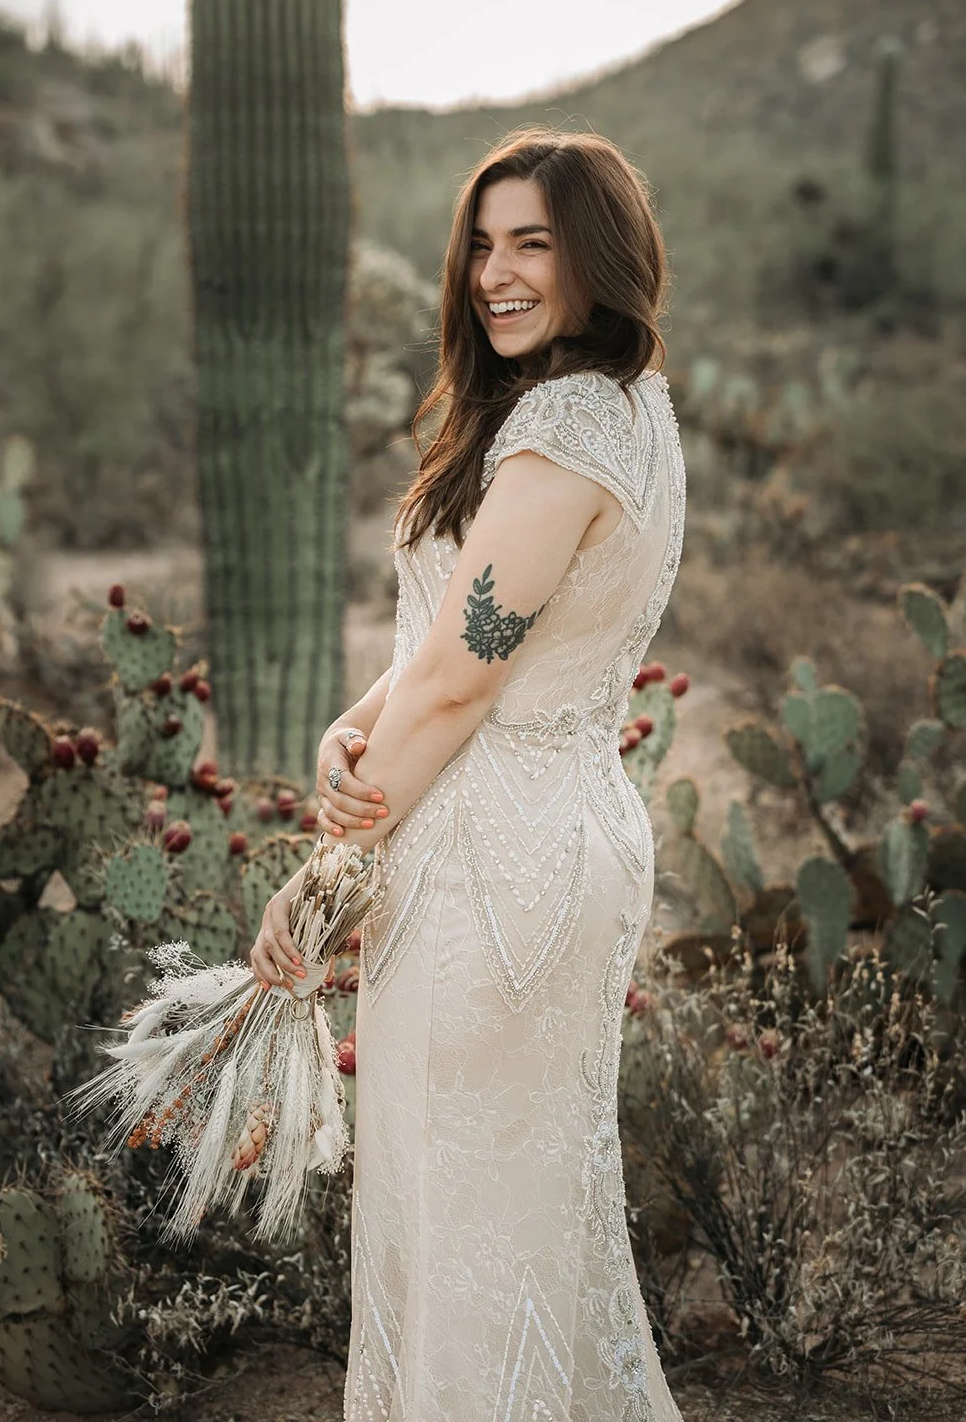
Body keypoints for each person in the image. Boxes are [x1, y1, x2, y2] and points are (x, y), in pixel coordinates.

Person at [251, 125, 686, 1420]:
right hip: (544, 828)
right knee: (516, 1221)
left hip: (495, 855)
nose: (496, 273)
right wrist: (361, 710)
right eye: (482, 244)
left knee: (459, 1230)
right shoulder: (623, 409)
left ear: (599, 259)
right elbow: (468, 638)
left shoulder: (560, 422)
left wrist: (321, 882)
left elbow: (464, 677)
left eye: (533, 245)